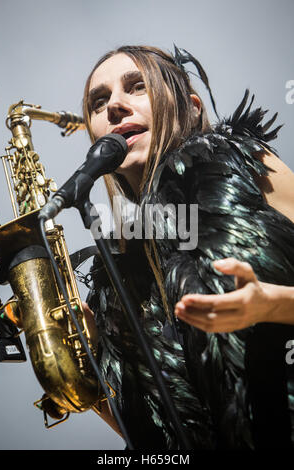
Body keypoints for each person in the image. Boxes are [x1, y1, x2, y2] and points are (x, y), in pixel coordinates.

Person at [82, 45, 294, 449]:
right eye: (99, 101)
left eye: (136, 86)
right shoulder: (115, 280)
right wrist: (85, 369)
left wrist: (272, 304)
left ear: (191, 108)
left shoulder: (249, 164)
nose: (115, 107)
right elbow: (154, 439)